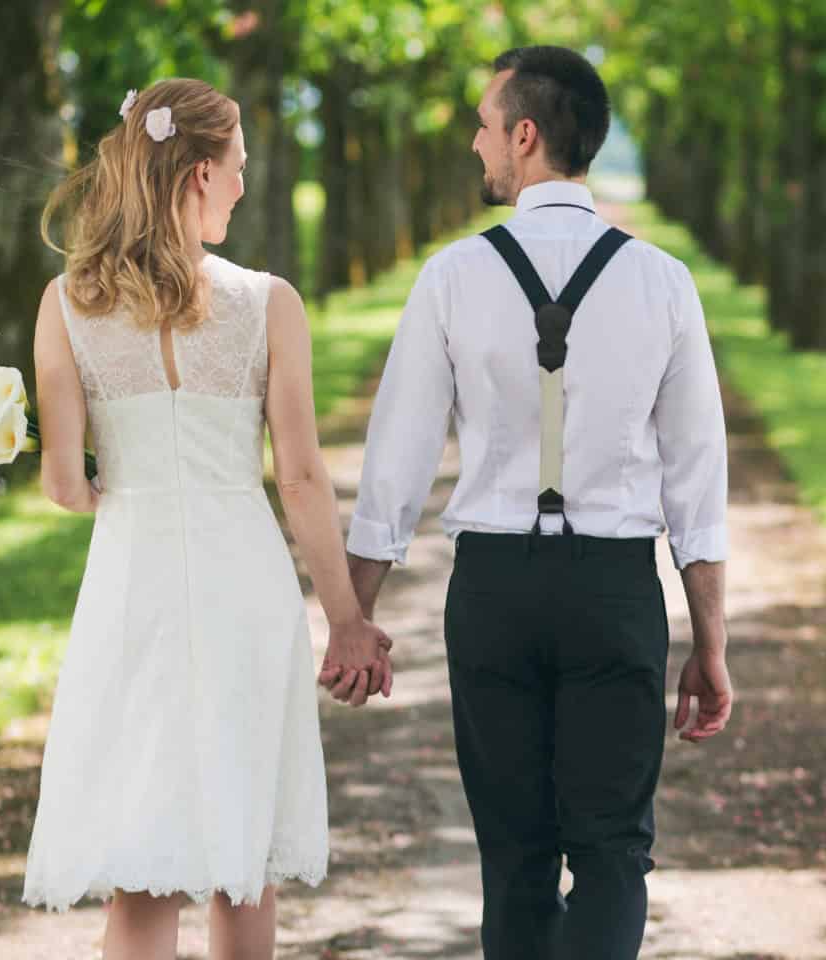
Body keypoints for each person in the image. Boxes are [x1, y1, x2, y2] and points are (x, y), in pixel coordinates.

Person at [336, 46, 734, 960]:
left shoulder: (451, 278)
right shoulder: (663, 282)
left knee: (513, 858)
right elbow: (696, 484)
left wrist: (355, 616)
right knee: (611, 859)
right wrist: (710, 643)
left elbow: (394, 471)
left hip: (495, 592)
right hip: (612, 592)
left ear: (526, 135)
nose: (476, 146)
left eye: (483, 126)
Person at [21, 78, 393, 959]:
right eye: (236, 167)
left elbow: (66, 486)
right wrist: (347, 620)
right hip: (243, 587)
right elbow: (299, 479)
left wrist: (96, 468)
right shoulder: (270, 303)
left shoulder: (66, 304)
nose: (241, 184)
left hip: (133, 588)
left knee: (143, 866)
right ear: (196, 174)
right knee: (241, 851)